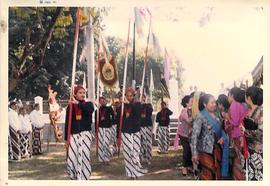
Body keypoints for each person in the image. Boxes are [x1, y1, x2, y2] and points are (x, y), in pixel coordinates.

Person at [190, 94, 229, 180]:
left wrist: (223, 137)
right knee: (207, 176)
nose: (214, 104)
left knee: (216, 175)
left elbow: (221, 130)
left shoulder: (217, 115)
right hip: (205, 152)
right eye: (211, 103)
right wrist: (194, 153)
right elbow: (194, 136)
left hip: (217, 150)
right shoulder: (200, 116)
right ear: (205, 104)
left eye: (215, 102)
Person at [64, 85, 95, 180]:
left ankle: (84, 178)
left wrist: (78, 104)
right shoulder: (70, 107)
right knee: (72, 158)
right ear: (75, 94)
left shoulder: (88, 104)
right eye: (80, 93)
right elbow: (67, 123)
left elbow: (90, 110)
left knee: (84, 157)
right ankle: (74, 177)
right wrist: (66, 139)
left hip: (85, 134)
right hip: (74, 135)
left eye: (83, 93)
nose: (82, 94)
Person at [120, 87, 147, 179]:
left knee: (135, 151)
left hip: (135, 131)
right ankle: (129, 172)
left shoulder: (137, 104)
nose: (129, 98)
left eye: (131, 96)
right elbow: (119, 119)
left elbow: (138, 113)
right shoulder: (122, 106)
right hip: (125, 131)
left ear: (134, 96)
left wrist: (129, 105)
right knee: (128, 152)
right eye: (127, 96)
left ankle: (136, 170)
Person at [228, 87, 248, 180]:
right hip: (242, 134)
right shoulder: (243, 104)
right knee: (242, 160)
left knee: (237, 161)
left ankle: (238, 179)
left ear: (232, 95)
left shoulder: (234, 105)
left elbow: (235, 122)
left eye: (229, 95)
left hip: (237, 135)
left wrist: (228, 119)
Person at [243, 86, 263, 180]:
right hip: (250, 151)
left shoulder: (262, 112)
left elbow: (262, 132)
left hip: (259, 151)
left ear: (249, 98)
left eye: (245, 96)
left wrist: (245, 131)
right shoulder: (251, 111)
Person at [174, 95, 193, 176]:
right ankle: (184, 168)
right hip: (183, 134)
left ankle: (189, 166)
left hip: (189, 134)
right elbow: (189, 121)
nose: (193, 103)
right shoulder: (184, 111)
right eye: (191, 101)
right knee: (186, 150)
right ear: (186, 103)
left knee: (190, 151)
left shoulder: (191, 110)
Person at [95, 96, 114, 165]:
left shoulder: (109, 109)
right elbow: (96, 122)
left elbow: (113, 115)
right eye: (101, 101)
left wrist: (111, 123)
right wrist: (96, 131)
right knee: (101, 144)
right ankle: (101, 159)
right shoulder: (97, 111)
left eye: (104, 100)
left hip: (108, 127)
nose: (103, 102)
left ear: (106, 101)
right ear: (99, 102)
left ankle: (107, 159)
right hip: (100, 128)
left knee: (106, 143)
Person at [140, 94, 153, 165]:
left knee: (148, 142)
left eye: (143, 97)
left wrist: (144, 105)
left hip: (147, 125)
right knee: (141, 142)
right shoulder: (137, 106)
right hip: (140, 126)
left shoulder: (148, 105)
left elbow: (150, 111)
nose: (141, 99)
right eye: (140, 97)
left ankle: (148, 158)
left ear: (145, 98)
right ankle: (141, 157)